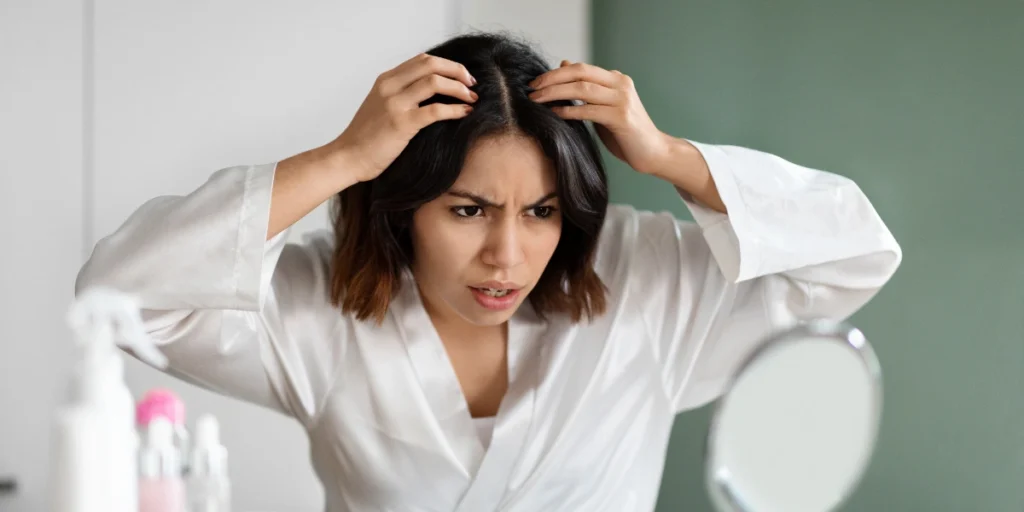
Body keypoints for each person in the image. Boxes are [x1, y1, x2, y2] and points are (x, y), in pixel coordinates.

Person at [75, 32, 902, 511]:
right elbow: (119, 295)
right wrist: (344, 158)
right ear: (404, 206)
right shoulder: (317, 311)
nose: (508, 256)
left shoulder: (647, 281)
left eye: (541, 211)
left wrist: (665, 155)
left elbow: (854, 252)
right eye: (468, 211)